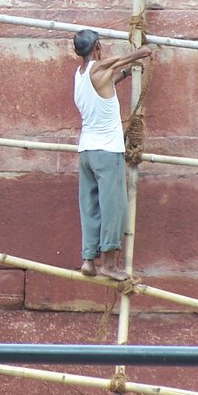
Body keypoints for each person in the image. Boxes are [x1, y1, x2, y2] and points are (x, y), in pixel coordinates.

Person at [72, 29, 153, 281]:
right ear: (97, 45)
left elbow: (103, 84)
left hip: (86, 151)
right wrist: (141, 50)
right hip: (107, 151)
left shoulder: (81, 74)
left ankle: (88, 260)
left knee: (90, 206)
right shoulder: (98, 66)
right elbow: (137, 54)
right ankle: (108, 264)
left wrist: (124, 75)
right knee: (114, 207)